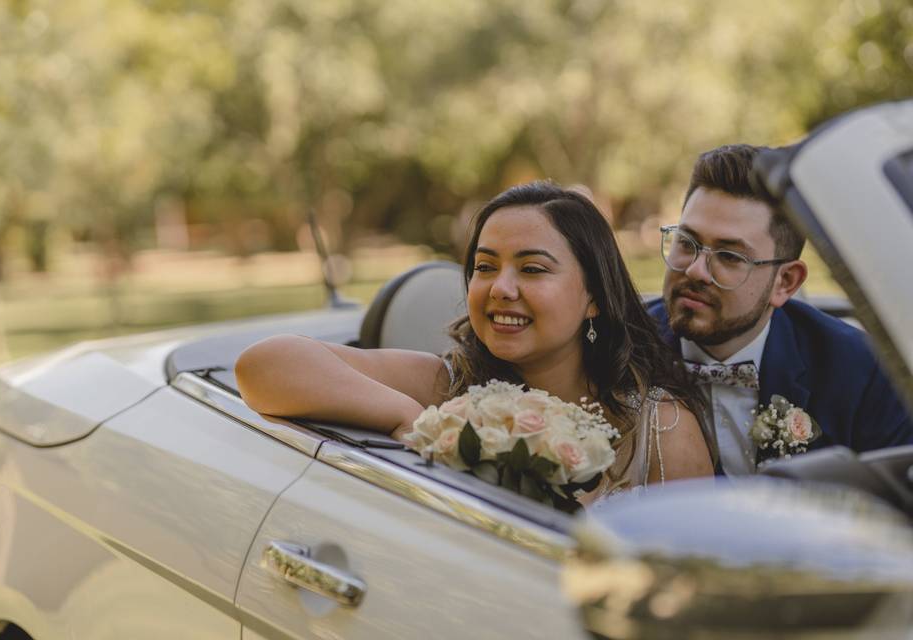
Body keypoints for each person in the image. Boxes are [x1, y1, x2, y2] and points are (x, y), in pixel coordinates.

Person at [237, 181, 713, 499]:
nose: (500, 288)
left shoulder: (661, 429)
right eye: (485, 267)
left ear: (594, 297)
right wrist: (420, 422)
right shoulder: (446, 388)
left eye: (532, 269)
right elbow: (264, 365)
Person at [649, 144, 913, 476]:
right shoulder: (615, 348)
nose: (695, 271)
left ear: (785, 282)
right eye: (686, 243)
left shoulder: (861, 371)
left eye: (730, 257)